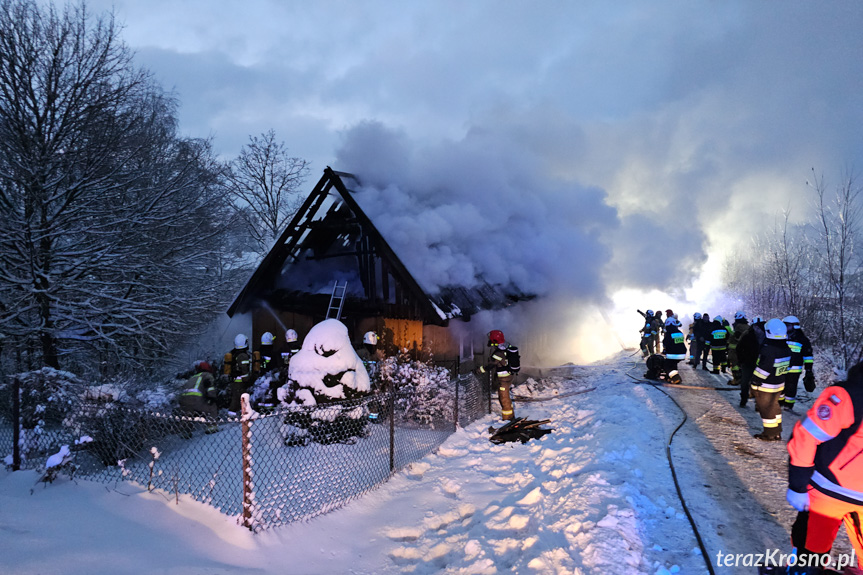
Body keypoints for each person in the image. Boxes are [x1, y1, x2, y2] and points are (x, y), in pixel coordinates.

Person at [784, 361, 863, 569]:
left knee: (811, 548)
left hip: (828, 489)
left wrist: (798, 484)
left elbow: (807, 435)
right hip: (831, 488)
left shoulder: (849, 395)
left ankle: (804, 569)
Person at [751, 319, 791, 441]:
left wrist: (755, 380)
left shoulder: (768, 349)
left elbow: (764, 368)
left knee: (766, 409)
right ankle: (777, 431)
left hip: (766, 385)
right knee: (775, 406)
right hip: (779, 384)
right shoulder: (786, 348)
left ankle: (769, 434)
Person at [477, 330, 519, 421]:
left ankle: (508, 418)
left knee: (504, 398)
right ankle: (510, 415)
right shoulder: (507, 346)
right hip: (508, 376)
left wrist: (478, 371)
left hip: (504, 379)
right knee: (505, 396)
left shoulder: (498, 353)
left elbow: (490, 365)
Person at [780, 315, 816, 411]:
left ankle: (789, 404)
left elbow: (808, 356)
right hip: (781, 367)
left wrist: (808, 370)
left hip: (794, 369)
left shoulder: (802, 339)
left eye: (787, 326)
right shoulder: (782, 336)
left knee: (791, 387)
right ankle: (780, 402)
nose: (785, 328)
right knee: (780, 386)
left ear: (794, 326)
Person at [178, 361, 219, 433]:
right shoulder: (207, 375)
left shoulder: (194, 377)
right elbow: (210, 387)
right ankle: (212, 426)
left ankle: (185, 431)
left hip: (183, 399)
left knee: (188, 415)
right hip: (195, 398)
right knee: (212, 407)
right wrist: (212, 397)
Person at [736, 315, 765, 408]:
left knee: (746, 382)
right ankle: (751, 401)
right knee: (757, 383)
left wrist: (741, 360)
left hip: (751, 363)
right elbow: (739, 348)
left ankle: (746, 400)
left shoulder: (747, 334)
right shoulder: (766, 335)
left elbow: (739, 348)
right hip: (755, 363)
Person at [224, 333, 252, 415]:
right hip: (240, 383)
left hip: (234, 381)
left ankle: (235, 417)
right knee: (236, 400)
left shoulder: (234, 353)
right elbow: (244, 371)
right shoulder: (243, 356)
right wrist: (248, 380)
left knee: (236, 399)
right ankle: (231, 419)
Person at [661, 316, 686, 384]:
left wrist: (665, 350)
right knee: (673, 364)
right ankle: (669, 377)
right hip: (682, 353)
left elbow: (665, 343)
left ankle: (676, 378)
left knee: (666, 366)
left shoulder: (669, 333)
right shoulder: (679, 332)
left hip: (673, 354)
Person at [727, 311, 749, 386]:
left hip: (735, 350)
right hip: (743, 350)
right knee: (741, 365)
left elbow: (737, 338)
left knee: (735, 365)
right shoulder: (747, 327)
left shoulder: (739, 327)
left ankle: (736, 379)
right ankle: (742, 379)